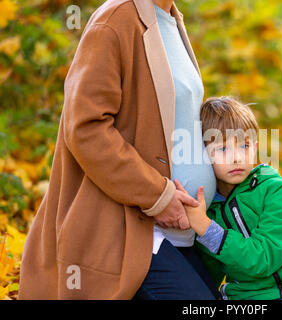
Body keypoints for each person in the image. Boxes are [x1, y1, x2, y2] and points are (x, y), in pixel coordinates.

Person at [19, 0, 219, 299]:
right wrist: (156, 196)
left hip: (183, 231)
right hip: (131, 229)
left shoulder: (170, 17)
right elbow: (86, 128)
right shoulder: (114, 20)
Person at [179, 96, 282, 300]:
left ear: (255, 148)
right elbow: (208, 275)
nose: (236, 157)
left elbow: (263, 259)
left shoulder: (276, 191)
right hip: (248, 298)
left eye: (244, 146)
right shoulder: (209, 209)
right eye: (223, 148)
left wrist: (206, 228)